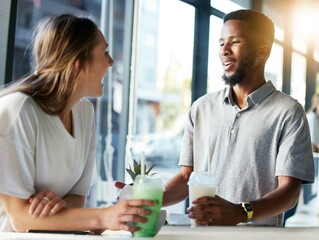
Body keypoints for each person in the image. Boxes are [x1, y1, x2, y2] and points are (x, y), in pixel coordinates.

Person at [0, 14, 155, 233]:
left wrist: (59, 209)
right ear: (78, 65)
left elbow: (77, 199)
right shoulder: (16, 110)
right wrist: (104, 217)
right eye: (104, 53)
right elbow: (21, 220)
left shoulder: (84, 113)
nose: (111, 62)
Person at [162, 9, 315, 227]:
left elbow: (289, 193)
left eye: (235, 42)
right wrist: (147, 200)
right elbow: (188, 178)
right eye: (221, 43)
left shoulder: (289, 112)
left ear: (263, 50)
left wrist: (241, 213)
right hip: (202, 235)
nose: (224, 50)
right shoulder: (201, 108)